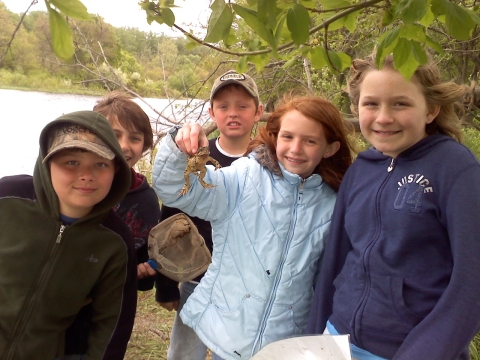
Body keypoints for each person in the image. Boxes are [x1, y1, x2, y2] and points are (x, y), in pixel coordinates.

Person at [305, 52, 480, 360]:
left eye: (400, 103)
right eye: (371, 104)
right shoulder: (361, 169)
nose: (383, 117)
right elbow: (335, 260)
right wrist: (315, 339)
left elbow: (471, 283)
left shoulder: (455, 169)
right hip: (336, 340)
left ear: (431, 109)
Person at [152, 93, 354, 359]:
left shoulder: (335, 203)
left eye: (310, 141)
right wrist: (180, 145)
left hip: (286, 343)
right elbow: (174, 189)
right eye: (288, 137)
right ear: (276, 136)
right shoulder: (245, 177)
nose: (295, 148)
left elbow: (327, 279)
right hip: (231, 330)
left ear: (330, 148)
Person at [0, 111, 137, 359]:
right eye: (71, 162)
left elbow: (113, 325)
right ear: (46, 163)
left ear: (116, 169)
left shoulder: (114, 241)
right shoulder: (7, 198)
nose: (86, 175)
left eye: (100, 164)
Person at [155, 70, 264, 360]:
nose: (233, 113)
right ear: (211, 112)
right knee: (183, 353)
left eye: (243, 105)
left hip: (245, 289)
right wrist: (165, 284)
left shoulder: (269, 160)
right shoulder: (195, 156)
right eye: (223, 106)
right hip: (196, 280)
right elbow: (172, 218)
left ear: (258, 111)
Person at [62, 91, 162, 358]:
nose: (125, 145)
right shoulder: (71, 185)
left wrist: (142, 270)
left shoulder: (146, 199)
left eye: (135, 138)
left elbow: (141, 262)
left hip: (103, 318)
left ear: (145, 145)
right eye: (115, 134)